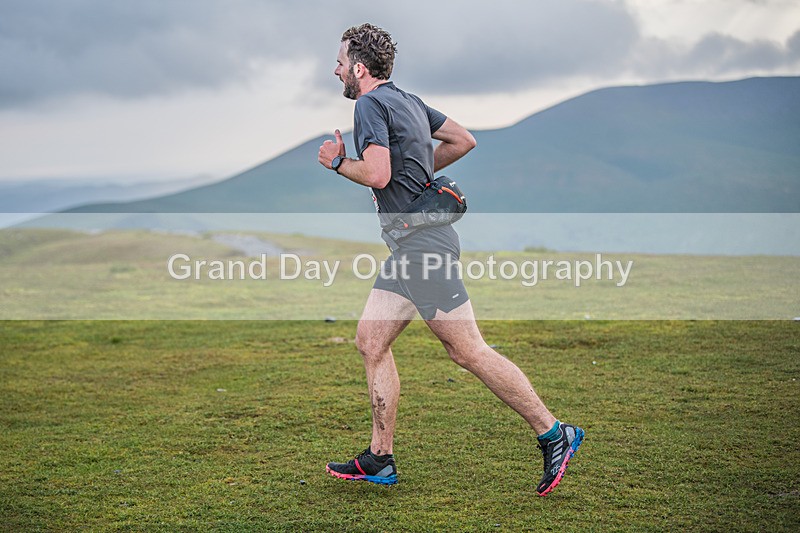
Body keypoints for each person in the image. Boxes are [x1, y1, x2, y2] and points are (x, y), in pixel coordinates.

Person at [317, 23, 584, 496]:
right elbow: (463, 140)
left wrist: (339, 163)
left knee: (468, 350)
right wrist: (414, 171)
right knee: (370, 340)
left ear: (359, 68)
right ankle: (380, 457)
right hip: (412, 246)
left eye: (340, 61)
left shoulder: (369, 104)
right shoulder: (411, 102)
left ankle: (553, 432)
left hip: (423, 248)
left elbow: (377, 174)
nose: (335, 68)